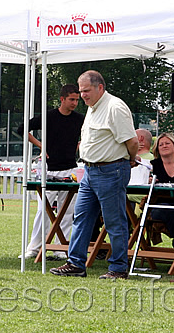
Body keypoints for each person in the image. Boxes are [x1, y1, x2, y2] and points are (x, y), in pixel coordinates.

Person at [51, 70, 138, 280]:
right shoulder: (93, 107)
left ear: (100, 87)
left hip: (111, 170)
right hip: (90, 171)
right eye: (80, 91)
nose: (82, 95)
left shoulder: (115, 107)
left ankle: (118, 268)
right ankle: (75, 264)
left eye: (86, 90)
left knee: (114, 221)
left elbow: (133, 142)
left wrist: (130, 160)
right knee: (80, 218)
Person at [18, 84, 84, 260]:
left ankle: (61, 248)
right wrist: (41, 145)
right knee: (43, 210)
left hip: (70, 168)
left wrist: (80, 145)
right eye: (72, 99)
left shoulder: (80, 119)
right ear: (62, 99)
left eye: (77, 100)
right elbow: (22, 129)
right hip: (48, 168)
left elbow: (89, 134)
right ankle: (34, 247)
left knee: (67, 210)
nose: (75, 103)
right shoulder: (49, 116)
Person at [147, 133, 174, 248]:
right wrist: (148, 180)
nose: (164, 146)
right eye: (161, 144)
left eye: (167, 143)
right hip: (159, 205)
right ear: (157, 148)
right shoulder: (152, 166)